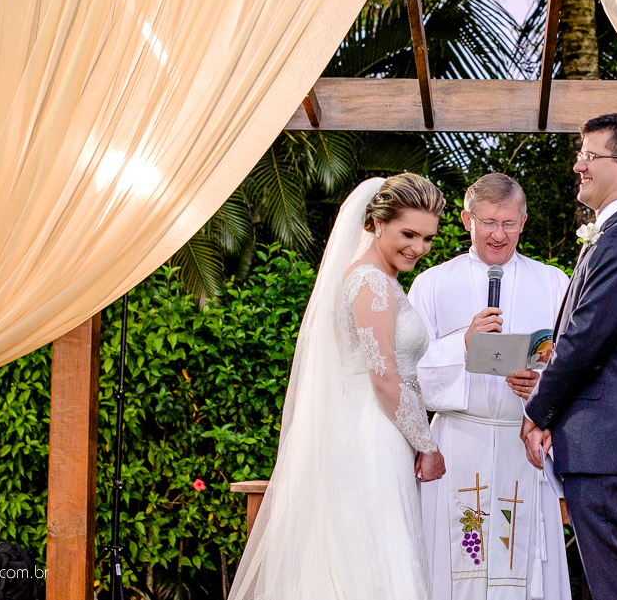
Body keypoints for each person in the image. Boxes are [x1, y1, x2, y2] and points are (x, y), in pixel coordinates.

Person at [227, 173, 447, 600]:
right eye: (408, 233)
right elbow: (384, 378)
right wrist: (428, 444)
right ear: (377, 223)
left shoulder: (377, 278)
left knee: (366, 550)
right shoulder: (371, 283)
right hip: (376, 433)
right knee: (378, 555)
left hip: (373, 428)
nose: (418, 248)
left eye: (428, 238)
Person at [522, 113, 617, 600]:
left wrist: (537, 411)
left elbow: (585, 341)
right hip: (602, 446)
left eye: (589, 155)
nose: (578, 166)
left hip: (605, 444)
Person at [411, 173, 572, 600]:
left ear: (523, 222)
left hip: (523, 444)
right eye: (488, 222)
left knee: (516, 553)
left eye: (509, 223)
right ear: (467, 220)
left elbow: (574, 361)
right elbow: (406, 370)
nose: (499, 235)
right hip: (460, 441)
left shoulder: (554, 282)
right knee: (460, 555)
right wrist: (461, 343)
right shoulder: (432, 285)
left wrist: (541, 387)